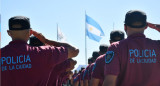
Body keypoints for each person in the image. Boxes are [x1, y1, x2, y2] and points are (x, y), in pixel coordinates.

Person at [1, 16, 79, 86]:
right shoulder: (44, 53)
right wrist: (47, 41)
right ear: (30, 32)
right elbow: (75, 51)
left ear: (8, 33)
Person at [103, 10, 160, 86]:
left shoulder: (116, 47)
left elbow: (109, 82)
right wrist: (156, 27)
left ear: (125, 27)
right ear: (146, 26)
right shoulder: (157, 46)